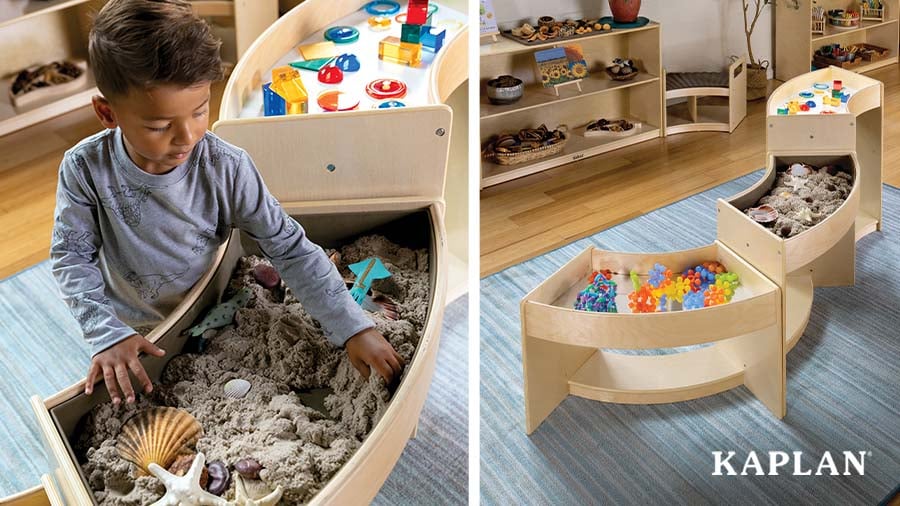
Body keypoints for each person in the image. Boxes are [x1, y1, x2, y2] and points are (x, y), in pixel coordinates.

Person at [50, 0, 403, 406]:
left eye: (200, 111)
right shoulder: (84, 168)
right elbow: (71, 257)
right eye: (159, 126)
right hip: (134, 327)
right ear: (106, 112)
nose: (187, 136)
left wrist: (352, 327)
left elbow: (289, 247)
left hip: (215, 301)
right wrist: (105, 332)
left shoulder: (227, 166)